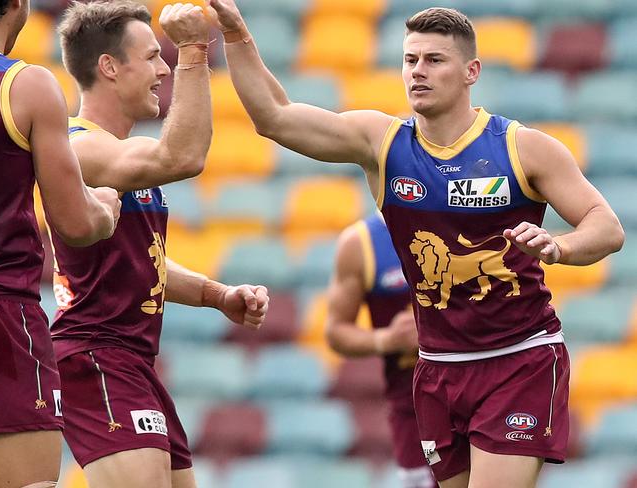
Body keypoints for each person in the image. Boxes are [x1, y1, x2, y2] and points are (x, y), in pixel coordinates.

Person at [207, 2, 625, 487]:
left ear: (471, 72)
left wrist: (558, 246)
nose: (417, 72)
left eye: (434, 60)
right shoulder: (381, 144)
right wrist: (236, 32)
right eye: (410, 60)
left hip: (519, 360)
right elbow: (274, 118)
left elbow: (606, 226)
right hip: (436, 368)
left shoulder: (522, 147)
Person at [50, 2, 269, 488]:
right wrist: (194, 48)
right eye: (151, 57)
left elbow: (141, 263)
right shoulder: (81, 147)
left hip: (131, 360)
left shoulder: (120, 155)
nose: (163, 68)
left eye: (164, 56)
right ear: (109, 67)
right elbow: (185, 155)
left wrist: (216, 295)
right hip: (96, 354)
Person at [0, 0, 121, 486]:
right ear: (17, 5)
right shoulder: (25, 85)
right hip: (0, 318)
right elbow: (76, 223)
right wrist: (105, 207)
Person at [326, 213, 438, 488]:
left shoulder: (469, 217)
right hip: (413, 408)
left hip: (475, 393)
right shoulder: (361, 242)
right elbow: (336, 331)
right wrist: (388, 339)